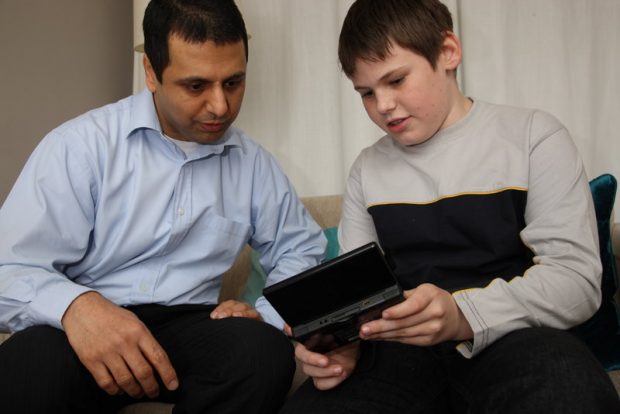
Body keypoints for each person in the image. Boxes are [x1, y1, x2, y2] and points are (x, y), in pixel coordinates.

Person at [280, 0, 620, 413]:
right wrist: (340, 346)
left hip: (515, 338)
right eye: (366, 93)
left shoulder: (533, 136)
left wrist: (462, 313)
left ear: (448, 52)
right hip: (399, 354)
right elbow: (359, 300)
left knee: (571, 394)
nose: (382, 105)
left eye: (397, 80)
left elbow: (577, 282)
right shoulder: (367, 170)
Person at [0, 0, 326, 413]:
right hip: (85, 329)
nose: (221, 107)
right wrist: (76, 308)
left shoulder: (253, 163)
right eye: (196, 86)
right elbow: (7, 269)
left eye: (233, 82)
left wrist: (265, 313)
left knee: (261, 352)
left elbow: (301, 249)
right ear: (151, 73)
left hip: (192, 329)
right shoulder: (80, 146)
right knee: (29, 364)